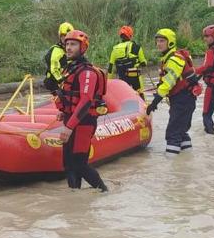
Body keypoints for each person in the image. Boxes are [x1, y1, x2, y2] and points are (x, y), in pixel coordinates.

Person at [53, 29, 109, 191]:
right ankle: (74, 198)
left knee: (79, 164)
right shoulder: (71, 68)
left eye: (73, 45)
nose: (69, 48)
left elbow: (85, 102)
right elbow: (70, 96)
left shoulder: (87, 73)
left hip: (83, 123)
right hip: (71, 119)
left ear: (83, 47)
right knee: (68, 164)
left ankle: (103, 191)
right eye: (67, 44)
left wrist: (69, 127)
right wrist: (64, 111)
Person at [146, 28, 200, 156]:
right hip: (186, 98)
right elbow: (171, 80)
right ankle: (187, 159)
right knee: (181, 132)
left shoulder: (174, 59)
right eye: (157, 41)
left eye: (162, 41)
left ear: (170, 42)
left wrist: (155, 102)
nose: (158, 44)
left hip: (182, 99)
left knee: (172, 133)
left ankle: (171, 166)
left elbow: (168, 83)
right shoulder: (172, 57)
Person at [107, 25, 148, 99]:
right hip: (135, 78)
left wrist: (108, 81)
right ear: (130, 35)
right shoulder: (136, 47)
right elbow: (143, 63)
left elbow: (110, 68)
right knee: (140, 93)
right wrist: (143, 62)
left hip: (122, 79)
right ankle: (143, 105)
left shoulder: (115, 49)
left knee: (125, 96)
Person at [43, 21, 75, 93]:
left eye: (68, 36)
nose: (65, 38)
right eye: (63, 36)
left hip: (64, 81)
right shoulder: (56, 50)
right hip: (54, 82)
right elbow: (54, 68)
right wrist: (61, 80)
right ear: (60, 37)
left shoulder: (69, 50)